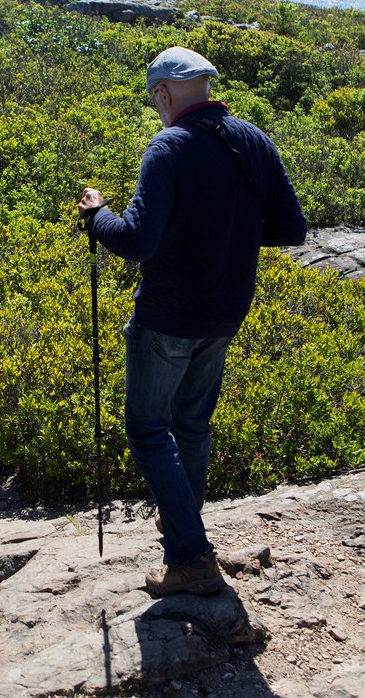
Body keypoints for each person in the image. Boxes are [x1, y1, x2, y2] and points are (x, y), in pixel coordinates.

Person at [78, 47, 307, 596]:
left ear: (164, 93)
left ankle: (189, 556)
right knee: (193, 425)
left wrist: (96, 215)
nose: (155, 106)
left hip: (168, 316)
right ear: (206, 87)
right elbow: (291, 228)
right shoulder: (253, 139)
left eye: (154, 96)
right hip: (225, 311)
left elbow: (135, 241)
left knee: (149, 430)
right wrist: (224, 238)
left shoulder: (170, 146)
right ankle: (184, 525)